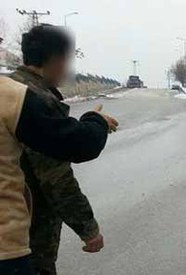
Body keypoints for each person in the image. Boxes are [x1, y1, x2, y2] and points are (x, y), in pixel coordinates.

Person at [0, 25, 118, 274]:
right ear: (56, 59)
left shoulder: (12, 87)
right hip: (19, 242)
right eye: (67, 59)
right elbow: (56, 175)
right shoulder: (23, 98)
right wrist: (88, 228)